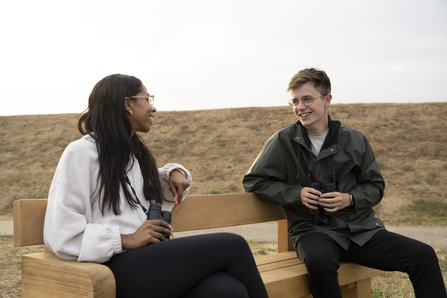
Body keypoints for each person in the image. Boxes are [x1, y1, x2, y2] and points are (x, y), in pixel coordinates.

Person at [44, 74, 268, 298]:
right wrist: (126, 239)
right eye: (147, 99)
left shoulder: (134, 155)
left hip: (148, 261)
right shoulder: (81, 153)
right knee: (233, 245)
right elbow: (62, 234)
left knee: (229, 291)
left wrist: (175, 171)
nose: (153, 108)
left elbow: (161, 189)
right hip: (111, 268)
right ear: (128, 104)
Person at [243, 68, 446, 298]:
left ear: (327, 99)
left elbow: (375, 186)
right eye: (295, 101)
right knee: (320, 261)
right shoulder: (282, 141)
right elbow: (254, 181)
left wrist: (349, 199)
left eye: (307, 99)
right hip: (312, 231)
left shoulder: (355, 139)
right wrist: (295, 193)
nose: (300, 107)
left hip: (360, 231)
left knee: (424, 255)